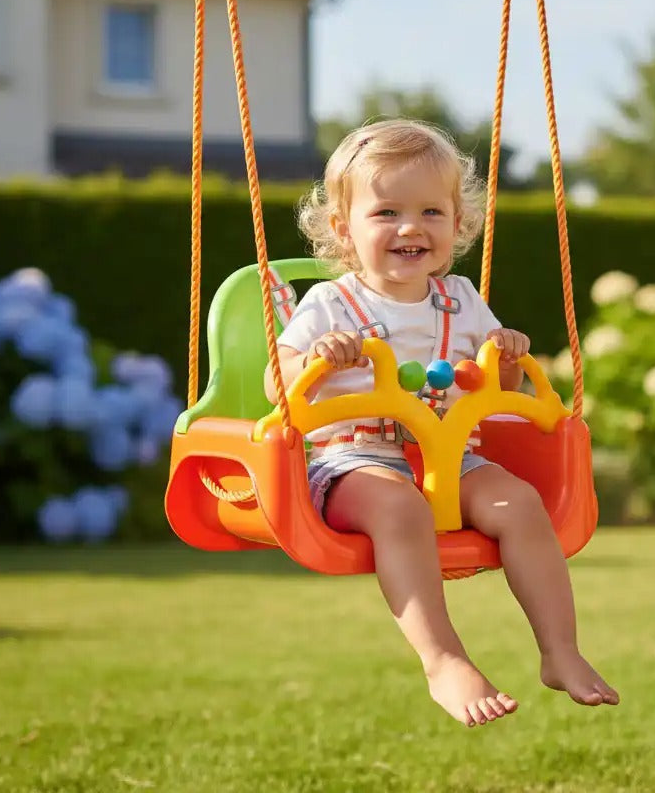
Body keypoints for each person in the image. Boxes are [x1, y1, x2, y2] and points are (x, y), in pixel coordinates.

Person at [263, 119, 618, 727]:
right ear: (344, 231)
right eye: (387, 212)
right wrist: (319, 360)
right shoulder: (329, 304)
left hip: (454, 456)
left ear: (458, 224)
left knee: (521, 503)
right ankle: (444, 659)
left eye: (432, 210)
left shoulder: (461, 298)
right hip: (354, 459)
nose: (411, 227)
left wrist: (503, 358)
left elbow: (499, 395)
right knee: (400, 509)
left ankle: (560, 651)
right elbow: (279, 387)